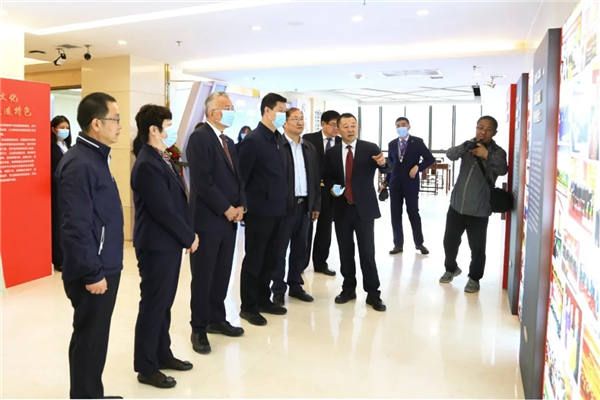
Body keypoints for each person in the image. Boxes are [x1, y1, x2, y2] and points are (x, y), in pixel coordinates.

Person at [55, 92, 124, 399]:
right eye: (115, 119)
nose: (119, 125)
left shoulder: (96, 156)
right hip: (92, 270)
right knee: (89, 338)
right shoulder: (79, 163)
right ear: (96, 124)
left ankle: (91, 393)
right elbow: (75, 226)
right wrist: (92, 272)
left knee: (96, 338)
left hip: (103, 262)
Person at [130, 104, 199, 388]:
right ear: (153, 129)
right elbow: (163, 210)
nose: (170, 132)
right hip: (156, 245)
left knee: (164, 304)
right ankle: (146, 367)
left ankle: (162, 353)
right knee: (153, 304)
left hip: (167, 243)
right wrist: (188, 236)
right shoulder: (147, 163)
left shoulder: (161, 156)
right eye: (167, 126)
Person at [186, 92, 246, 354]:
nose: (231, 111)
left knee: (222, 272)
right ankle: (199, 328)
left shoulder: (228, 141)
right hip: (207, 220)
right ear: (212, 112)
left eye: (232, 107)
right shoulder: (199, 138)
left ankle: (216, 318)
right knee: (204, 276)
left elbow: (238, 178)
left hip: (229, 221)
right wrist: (226, 208)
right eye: (226, 107)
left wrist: (241, 205)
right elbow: (203, 181)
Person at [324, 113, 390, 312]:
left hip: (365, 209)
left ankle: (373, 294)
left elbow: (387, 169)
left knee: (367, 253)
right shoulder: (332, 153)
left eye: (353, 125)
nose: (350, 129)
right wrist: (332, 188)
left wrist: (383, 164)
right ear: (338, 129)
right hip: (341, 208)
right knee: (345, 252)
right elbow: (327, 177)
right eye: (346, 126)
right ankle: (348, 289)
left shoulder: (370, 148)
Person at [439, 115, 508, 293]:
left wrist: (486, 155)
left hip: (479, 208)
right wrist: (464, 146)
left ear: (494, 133)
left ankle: (474, 278)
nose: (483, 132)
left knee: (477, 248)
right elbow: (450, 154)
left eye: (487, 129)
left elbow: (502, 169)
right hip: (457, 205)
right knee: (449, 242)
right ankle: (451, 268)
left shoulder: (498, 152)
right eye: (480, 128)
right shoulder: (468, 146)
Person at [237, 92, 289, 326]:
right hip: (259, 212)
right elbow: (242, 178)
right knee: (255, 259)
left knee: (272, 258)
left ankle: (263, 299)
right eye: (280, 111)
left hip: (279, 209)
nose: (283, 115)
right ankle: (248, 306)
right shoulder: (253, 140)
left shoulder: (278, 139)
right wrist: (244, 207)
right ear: (267, 111)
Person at [272, 108, 321, 305]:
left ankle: (295, 285)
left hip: (305, 206)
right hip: (284, 207)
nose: (300, 122)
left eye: (302, 118)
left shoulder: (309, 147)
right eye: (295, 119)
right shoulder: (277, 145)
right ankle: (277, 289)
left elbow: (315, 178)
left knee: (300, 249)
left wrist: (315, 204)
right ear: (284, 123)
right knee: (279, 250)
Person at [383, 117, 435, 255]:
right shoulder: (392, 144)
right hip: (395, 184)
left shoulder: (417, 142)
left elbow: (430, 159)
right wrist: (385, 182)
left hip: (411, 184)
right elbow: (391, 166)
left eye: (403, 124)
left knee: (413, 213)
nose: (401, 127)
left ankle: (419, 243)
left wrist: (418, 167)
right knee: (395, 215)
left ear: (409, 126)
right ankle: (398, 245)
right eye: (398, 125)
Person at [302, 110, 341, 276]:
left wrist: (338, 187)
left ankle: (320, 263)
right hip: (311, 190)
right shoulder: (308, 139)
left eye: (338, 125)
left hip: (330, 192)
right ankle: (301, 263)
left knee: (325, 229)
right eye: (333, 125)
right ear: (323, 124)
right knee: (306, 229)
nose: (336, 128)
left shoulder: (340, 142)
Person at [50, 115, 72, 271]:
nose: (65, 130)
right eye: (62, 128)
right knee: (58, 224)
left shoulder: (68, 147)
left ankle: (68, 256)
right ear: (53, 129)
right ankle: (59, 259)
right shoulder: (52, 148)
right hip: (57, 191)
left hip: (69, 191)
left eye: (67, 128)